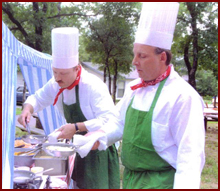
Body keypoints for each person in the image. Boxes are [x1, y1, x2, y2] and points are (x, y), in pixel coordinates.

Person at [87, 2, 205, 189]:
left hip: (162, 183)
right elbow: (119, 122)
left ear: (162, 57)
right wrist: (100, 137)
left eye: (142, 56)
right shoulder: (134, 88)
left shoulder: (183, 97)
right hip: (131, 181)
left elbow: (190, 157)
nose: (134, 62)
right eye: (134, 55)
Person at [18, 27, 120, 189]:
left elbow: (111, 121)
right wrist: (27, 109)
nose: (58, 78)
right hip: (78, 148)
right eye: (55, 72)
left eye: (63, 73)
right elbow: (37, 98)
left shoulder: (93, 86)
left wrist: (76, 127)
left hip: (99, 149)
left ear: (76, 68)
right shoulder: (56, 82)